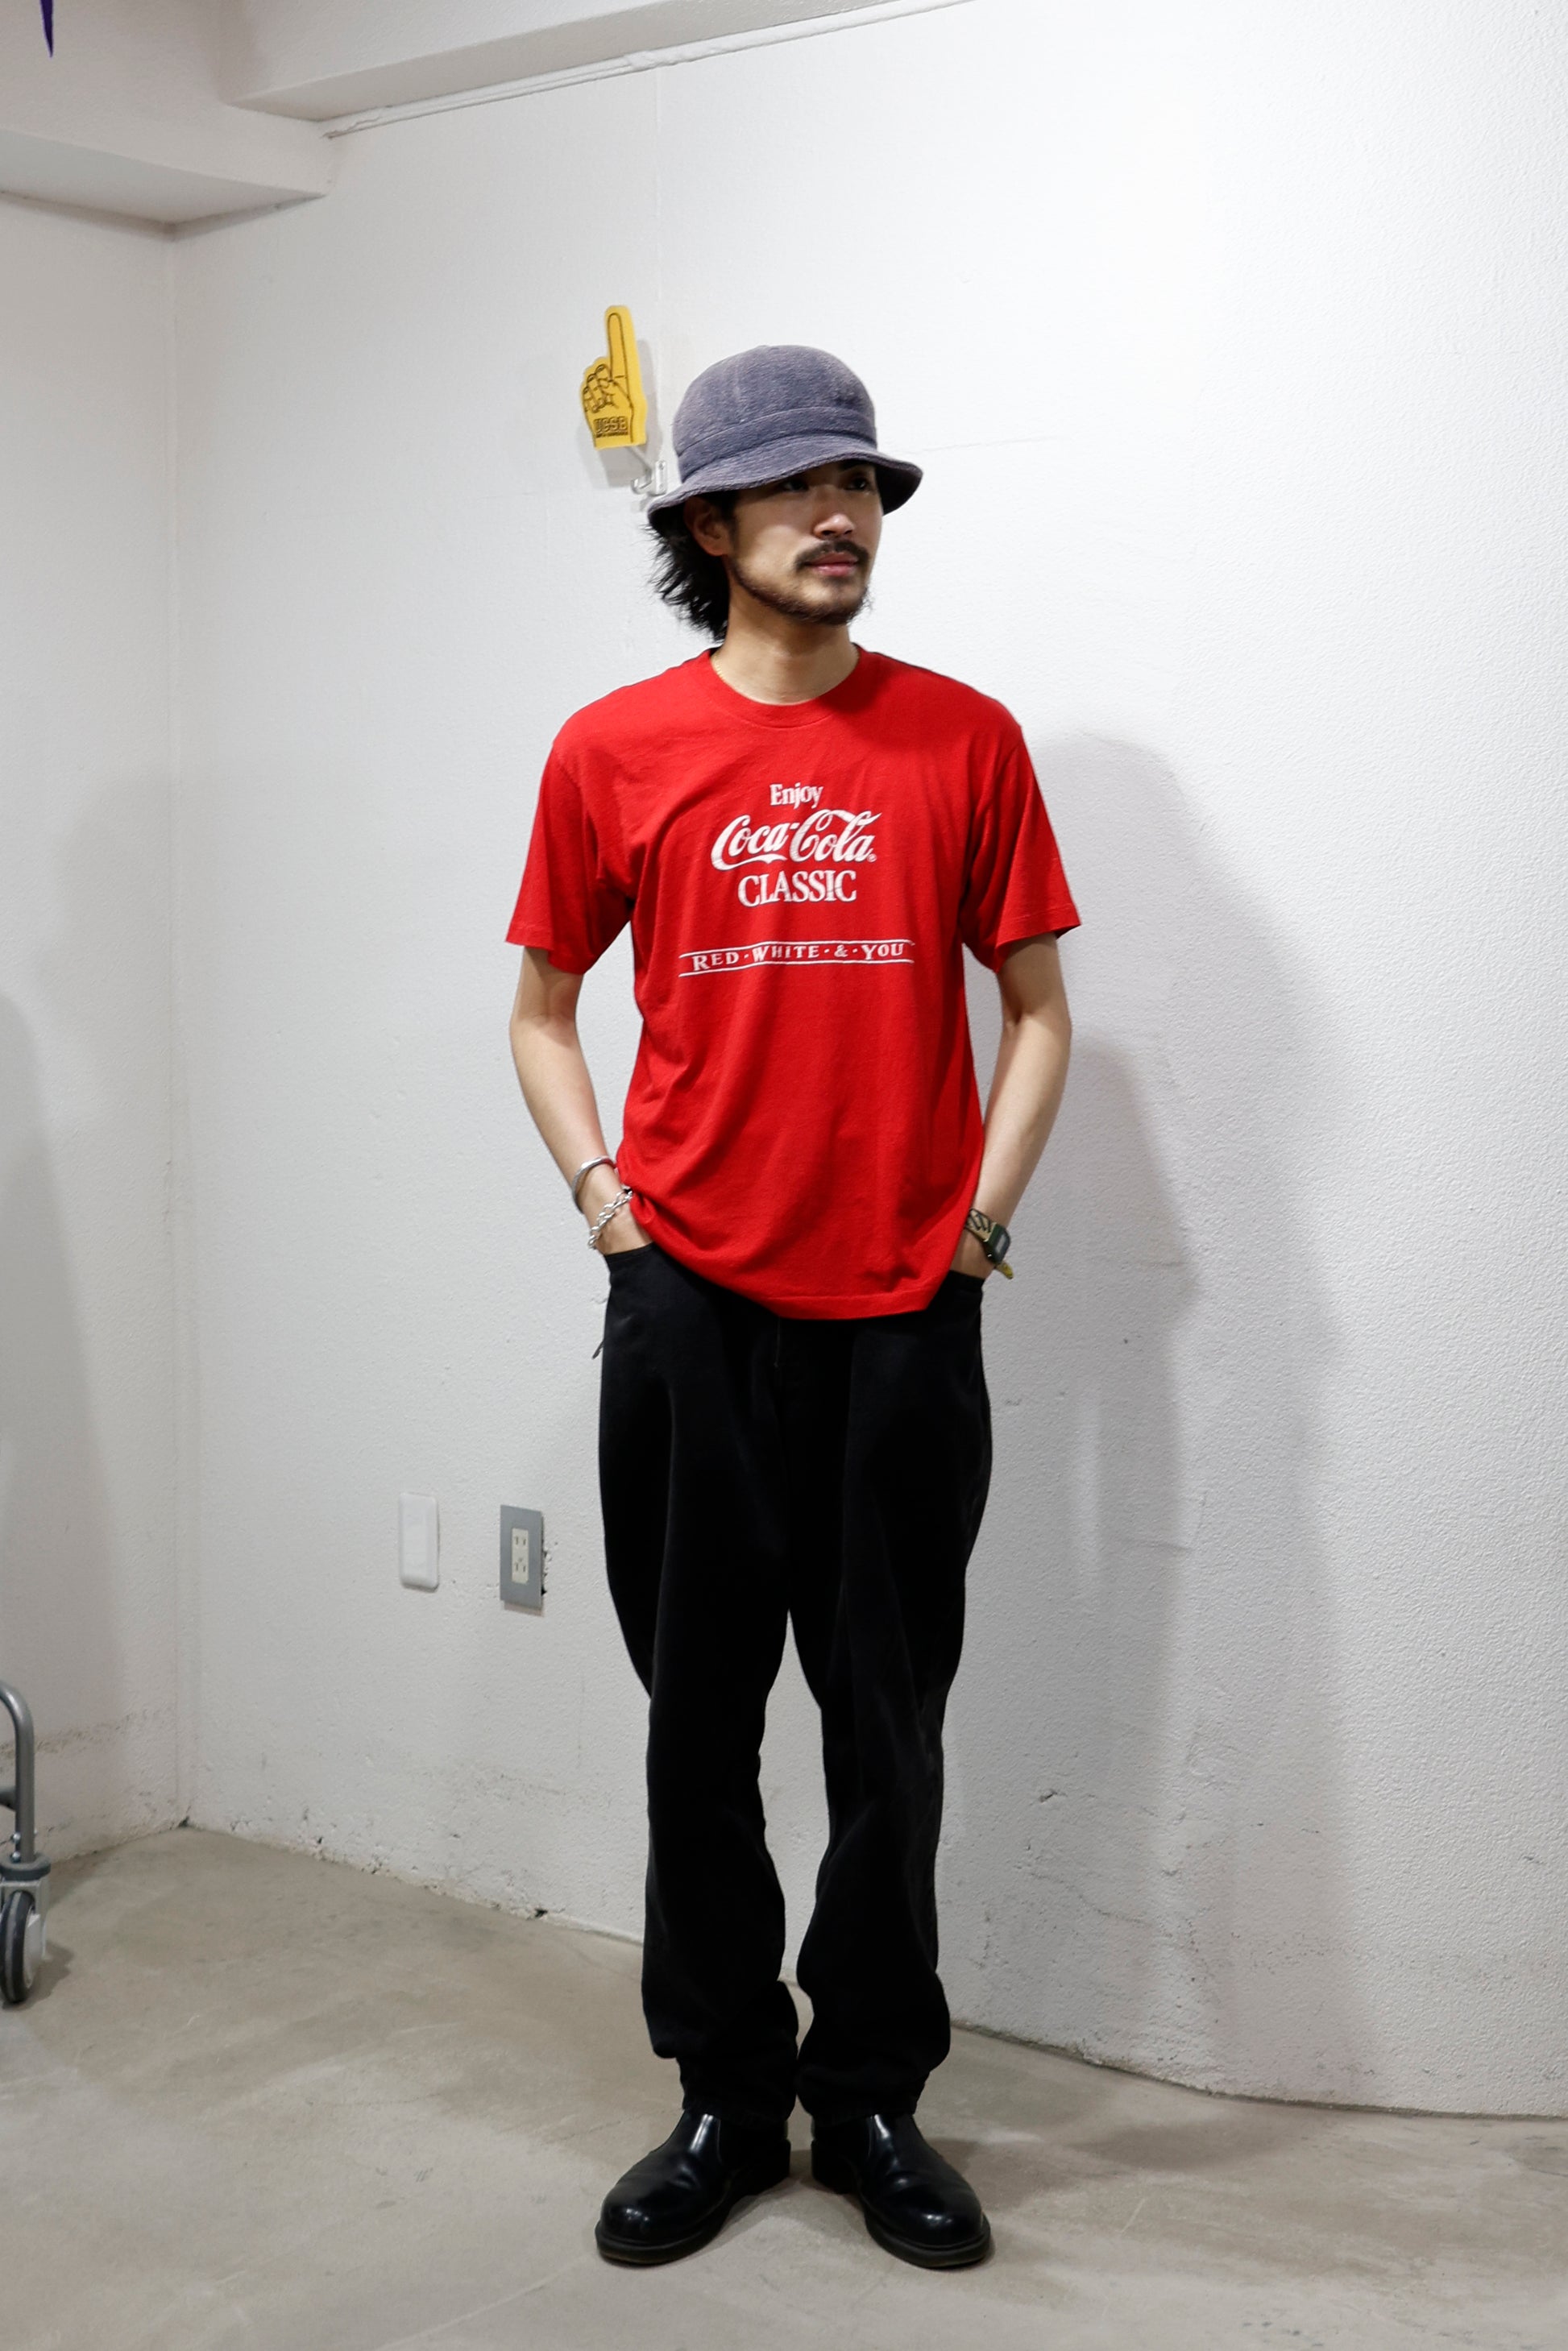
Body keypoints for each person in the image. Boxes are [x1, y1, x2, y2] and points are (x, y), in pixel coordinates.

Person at [506, 345, 1077, 2270]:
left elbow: (1038, 1011)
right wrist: (611, 1210)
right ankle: (726, 2096)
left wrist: (975, 1233)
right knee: (696, 1727)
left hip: (904, 1312)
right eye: (799, 488)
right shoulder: (613, 750)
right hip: (687, 1308)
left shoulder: (963, 741)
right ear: (708, 523)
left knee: (887, 1732)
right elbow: (539, 1008)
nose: (843, 518)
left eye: (863, 487)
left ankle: (875, 2099)